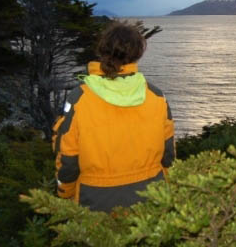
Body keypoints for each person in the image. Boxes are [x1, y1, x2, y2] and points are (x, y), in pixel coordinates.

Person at [52, 21, 175, 212]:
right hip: (151, 195)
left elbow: (68, 155)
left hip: (95, 199)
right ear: (137, 54)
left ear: (102, 51)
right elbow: (168, 154)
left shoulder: (80, 97)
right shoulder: (156, 96)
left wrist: (64, 191)